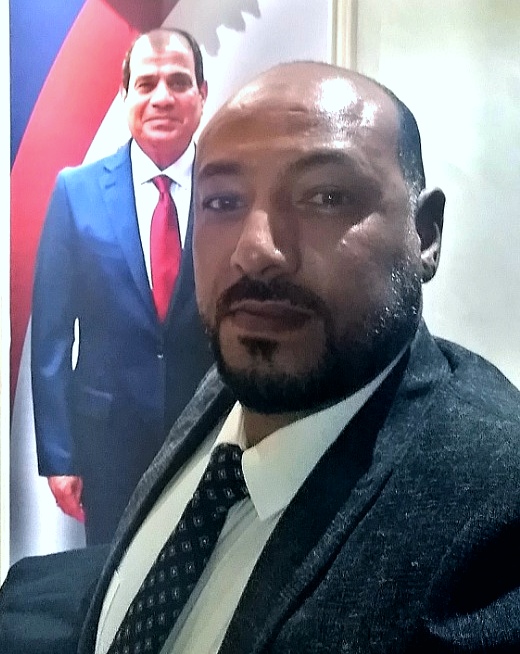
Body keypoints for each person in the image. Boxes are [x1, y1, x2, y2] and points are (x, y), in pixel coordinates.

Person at [2, 61, 520, 653]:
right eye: (223, 201)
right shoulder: (239, 371)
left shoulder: (494, 505)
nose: (255, 251)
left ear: (424, 234)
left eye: (326, 197)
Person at [30, 27, 214, 545]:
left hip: (209, 437)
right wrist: (59, 456)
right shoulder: (77, 192)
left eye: (179, 82)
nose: (162, 97)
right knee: (110, 580)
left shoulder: (231, 191)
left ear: (202, 94)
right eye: (146, 83)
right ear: (124, 96)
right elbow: (51, 338)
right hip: (106, 447)